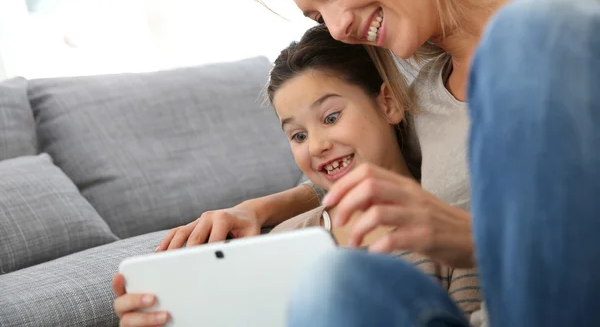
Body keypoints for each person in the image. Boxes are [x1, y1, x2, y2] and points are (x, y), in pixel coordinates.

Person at [245, 0, 599, 326]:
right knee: (337, 283)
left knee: (529, 29)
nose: (337, 28)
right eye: (317, 17)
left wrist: (481, 241)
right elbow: (356, 161)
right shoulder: (420, 101)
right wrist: (255, 210)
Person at [112, 25, 482, 327]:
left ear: (387, 103)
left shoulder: (442, 219)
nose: (317, 145)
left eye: (331, 117)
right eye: (298, 136)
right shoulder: (287, 239)